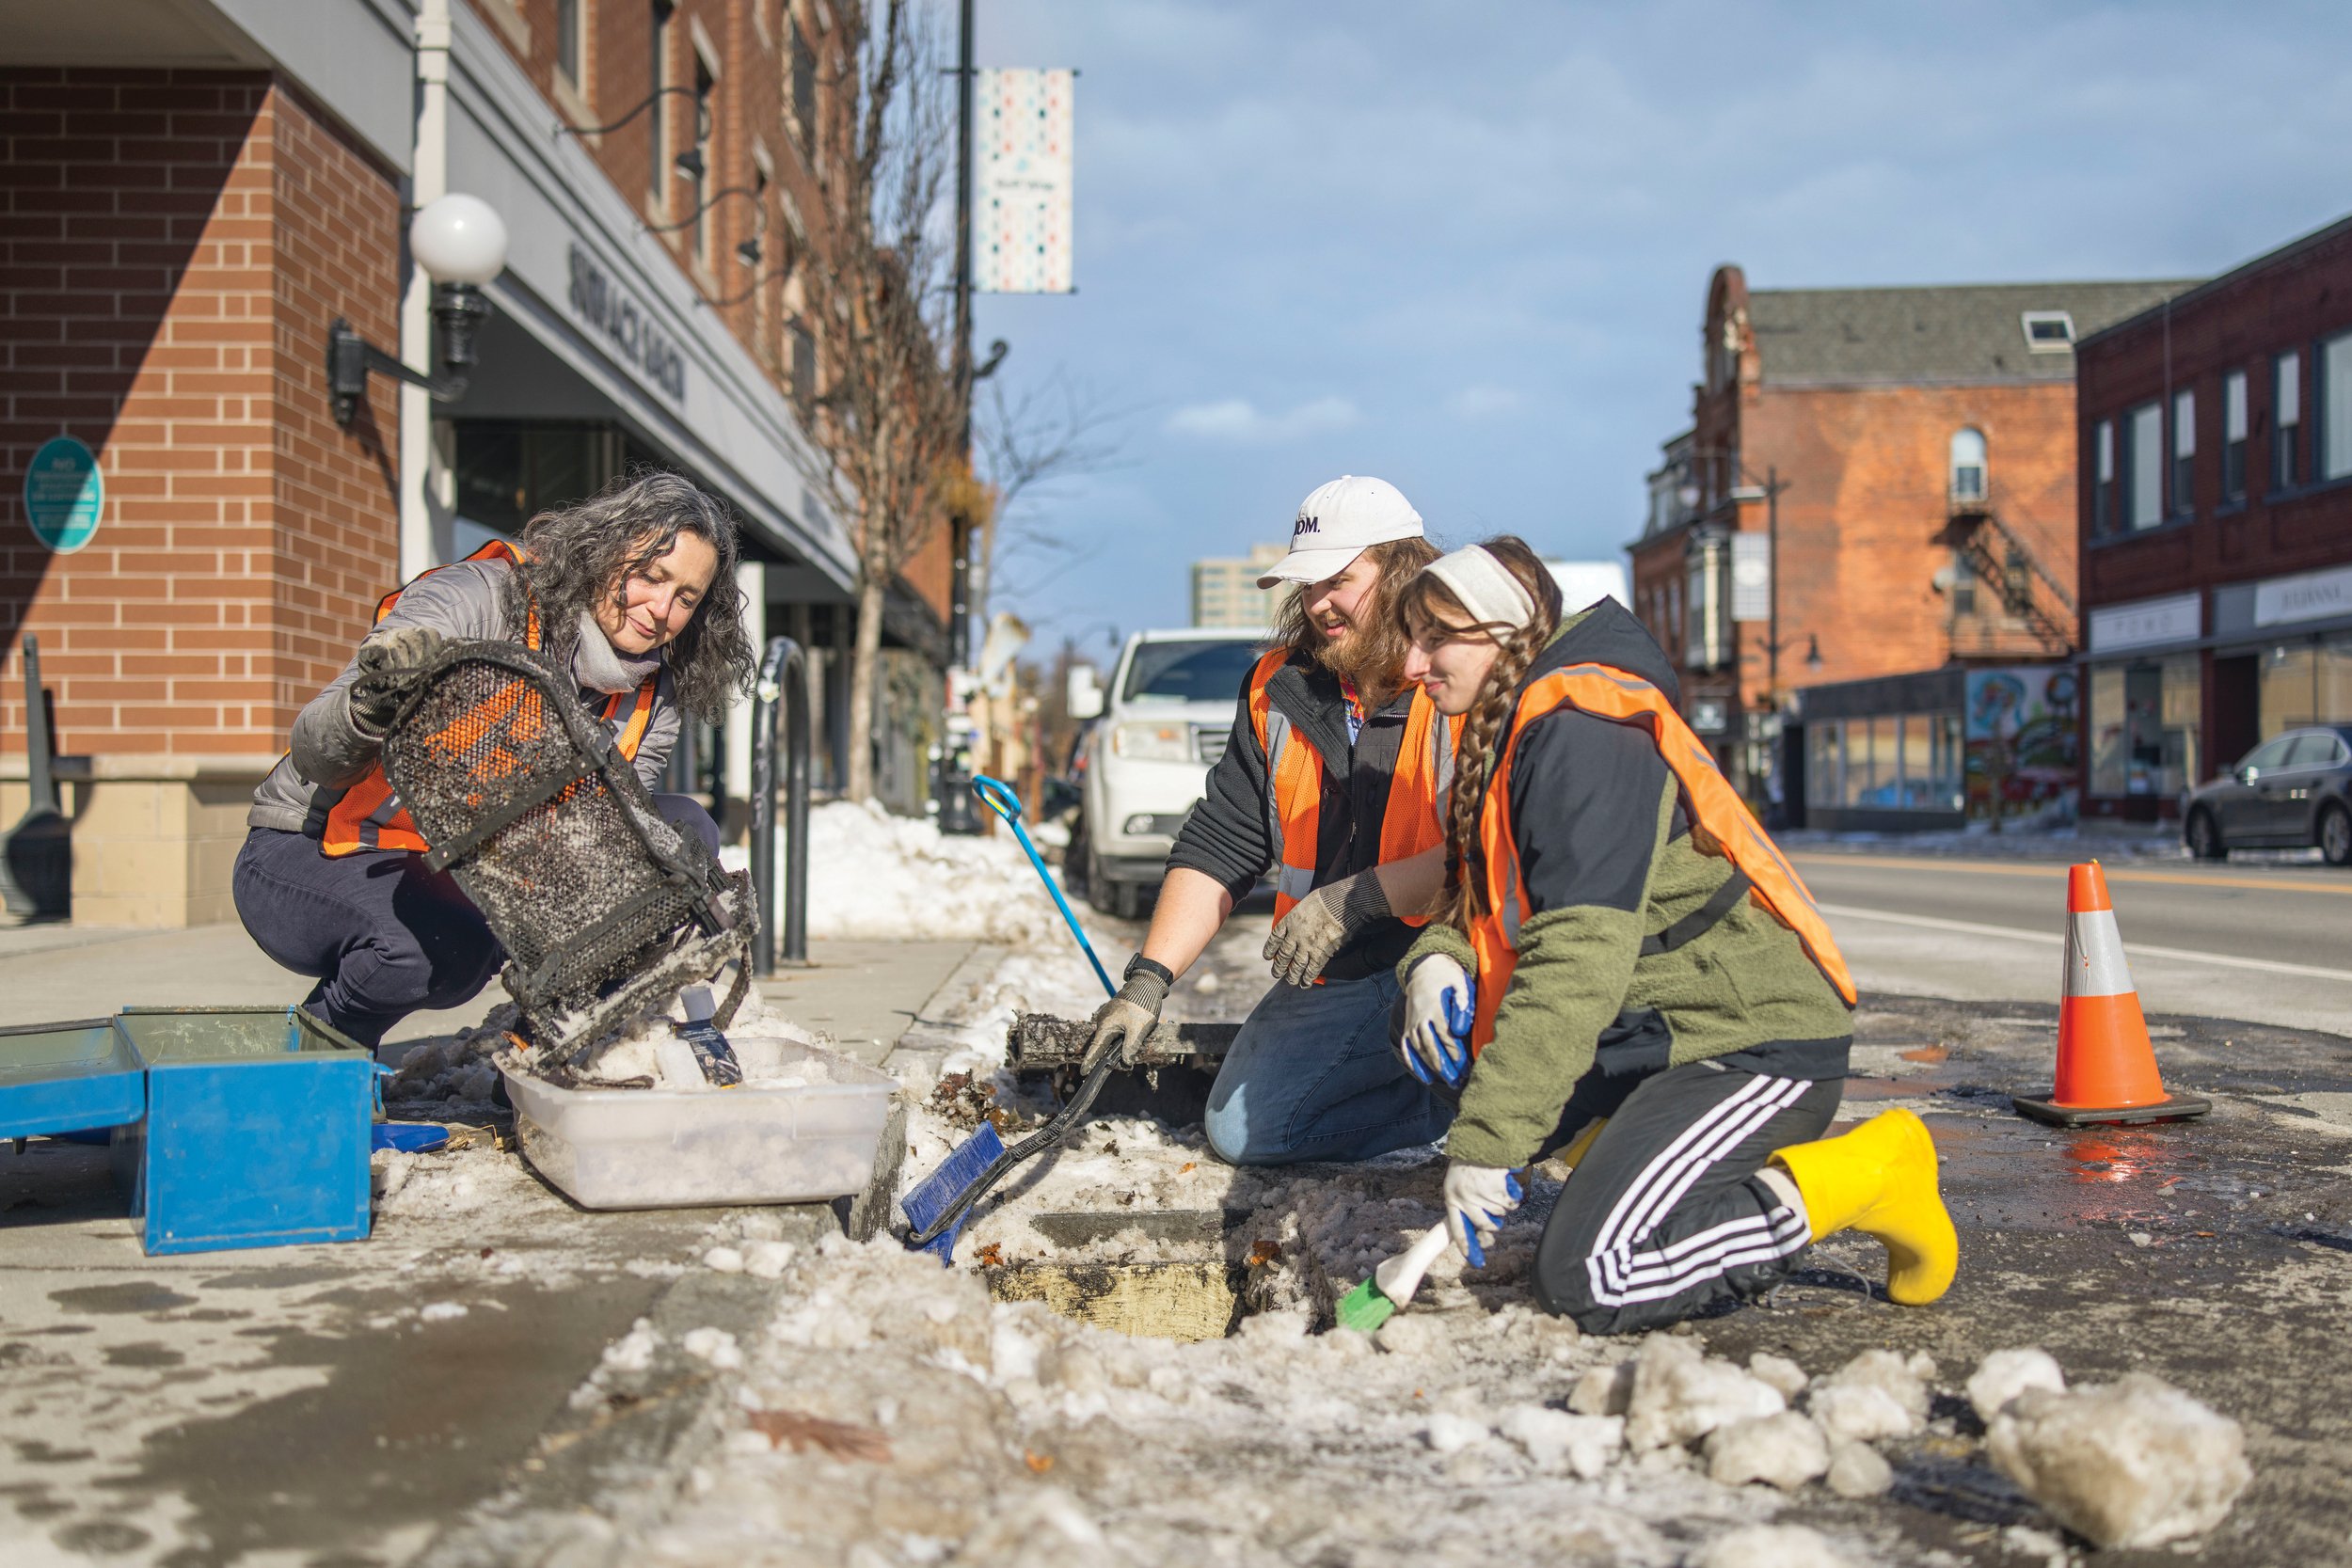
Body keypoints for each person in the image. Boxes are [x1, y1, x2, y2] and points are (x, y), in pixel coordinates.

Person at [1391, 537, 1955, 1334]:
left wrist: (1488, 1145)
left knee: (1590, 1273)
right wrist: (1435, 963)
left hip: (1747, 1040)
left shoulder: (1580, 730)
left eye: (1434, 637)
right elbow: (1476, 897)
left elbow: (1576, 959)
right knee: (1455, 1064)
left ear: (1500, 631)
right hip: (1652, 1033)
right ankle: (1630, 1155)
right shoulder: (1510, 723)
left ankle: (1870, 1173)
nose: (1413, 664)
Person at [235, 471, 755, 1051]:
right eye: (649, 575)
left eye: (686, 597)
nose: (660, 608)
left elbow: (602, 848)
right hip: (315, 847)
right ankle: (324, 1052)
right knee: (447, 944)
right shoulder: (478, 599)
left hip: (459, 863)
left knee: (678, 834)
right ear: (605, 550)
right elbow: (315, 752)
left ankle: (540, 1049)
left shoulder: (652, 693)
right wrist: (373, 704)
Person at [1080, 475, 1458, 1165]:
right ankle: (1438, 1103)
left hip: (1456, 954)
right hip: (1346, 972)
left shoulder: (1455, 681)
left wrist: (1358, 897)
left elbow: (1489, 858)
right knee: (1241, 1130)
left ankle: (1490, 1096)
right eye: (1307, 585)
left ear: (1403, 570)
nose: (1318, 604)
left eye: (1339, 580)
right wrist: (1146, 981)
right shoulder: (1276, 689)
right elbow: (1224, 837)